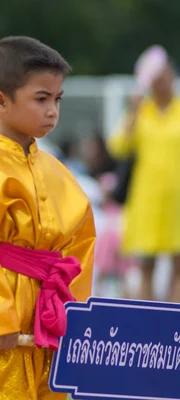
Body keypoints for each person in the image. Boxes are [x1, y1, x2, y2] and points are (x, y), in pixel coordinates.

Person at [0, 36, 95, 400]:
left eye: (57, 99)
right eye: (41, 98)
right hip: (6, 309)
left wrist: (74, 312)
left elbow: (82, 243)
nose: (53, 111)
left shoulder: (60, 172)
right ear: (0, 101)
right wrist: (0, 313)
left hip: (54, 311)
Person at [107, 45, 180, 302]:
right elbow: (118, 146)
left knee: (177, 267)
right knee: (146, 265)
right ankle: (149, 324)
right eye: (157, 77)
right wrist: (133, 114)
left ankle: (174, 326)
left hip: (176, 201)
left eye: (166, 75)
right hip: (147, 200)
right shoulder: (141, 112)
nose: (162, 82)